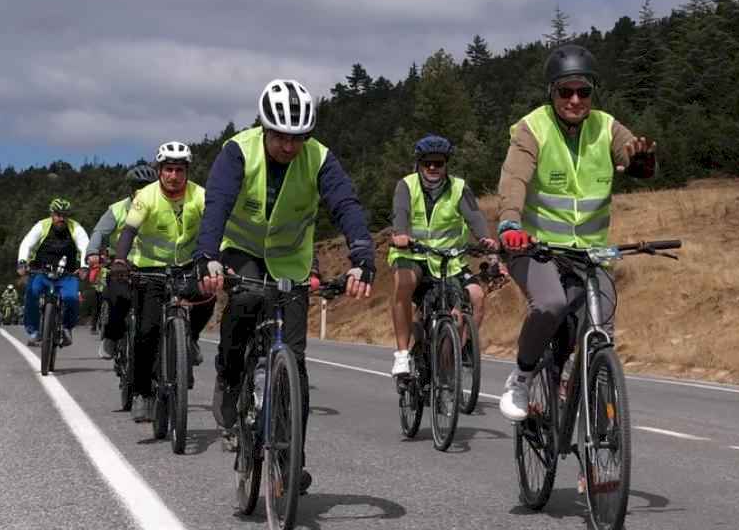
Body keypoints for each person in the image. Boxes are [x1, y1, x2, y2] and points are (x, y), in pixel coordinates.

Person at [195, 78, 375, 494]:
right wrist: (208, 255)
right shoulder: (238, 152)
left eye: (299, 138)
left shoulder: (321, 159)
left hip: (290, 259)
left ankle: (291, 459)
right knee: (248, 298)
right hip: (240, 250)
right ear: (264, 127)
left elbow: (345, 204)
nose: (290, 146)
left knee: (294, 359)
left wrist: (362, 256)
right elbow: (217, 204)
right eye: (281, 137)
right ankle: (229, 373)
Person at [495, 44, 656, 421]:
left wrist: (641, 160)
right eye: (565, 91)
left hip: (591, 253)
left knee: (601, 327)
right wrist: (510, 222)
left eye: (583, 91)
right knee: (550, 305)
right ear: (551, 93)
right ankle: (520, 376)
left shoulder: (606, 126)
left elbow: (628, 151)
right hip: (536, 248)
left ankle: (597, 446)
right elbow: (515, 177)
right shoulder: (532, 129)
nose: (574, 99)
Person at [109, 141, 215, 422]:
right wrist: (120, 260)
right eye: (168, 169)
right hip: (150, 270)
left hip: (188, 266)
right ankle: (143, 393)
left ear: (187, 171)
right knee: (146, 332)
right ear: (159, 171)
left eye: (179, 170)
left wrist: (217, 259)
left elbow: (216, 227)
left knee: (209, 291)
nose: (174, 176)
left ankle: (189, 339)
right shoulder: (146, 196)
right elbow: (129, 231)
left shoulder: (200, 195)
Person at [387, 134, 498, 377]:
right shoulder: (406, 186)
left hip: (451, 259)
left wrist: (484, 238)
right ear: (419, 164)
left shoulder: (459, 187)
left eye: (439, 163)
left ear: (447, 164)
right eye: (428, 163)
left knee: (477, 295)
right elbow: (401, 214)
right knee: (403, 283)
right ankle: (403, 355)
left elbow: (474, 216)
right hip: (413, 257)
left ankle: (459, 352)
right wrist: (401, 235)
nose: (433, 168)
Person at [87, 164, 159, 359]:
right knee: (118, 298)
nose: (143, 190)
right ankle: (111, 337)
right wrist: (92, 252)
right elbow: (99, 233)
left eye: (148, 186)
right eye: (139, 186)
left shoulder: (161, 207)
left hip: (152, 265)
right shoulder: (117, 209)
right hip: (121, 266)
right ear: (131, 189)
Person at [16, 198, 90, 346]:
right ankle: (34, 331)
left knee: (71, 298)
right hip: (41, 271)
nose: (61, 218)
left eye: (64, 215)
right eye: (58, 214)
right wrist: (22, 261)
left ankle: (66, 328)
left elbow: (85, 246)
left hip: (67, 273)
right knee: (32, 293)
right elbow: (27, 243)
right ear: (52, 214)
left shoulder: (75, 227)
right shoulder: (42, 225)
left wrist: (84, 266)